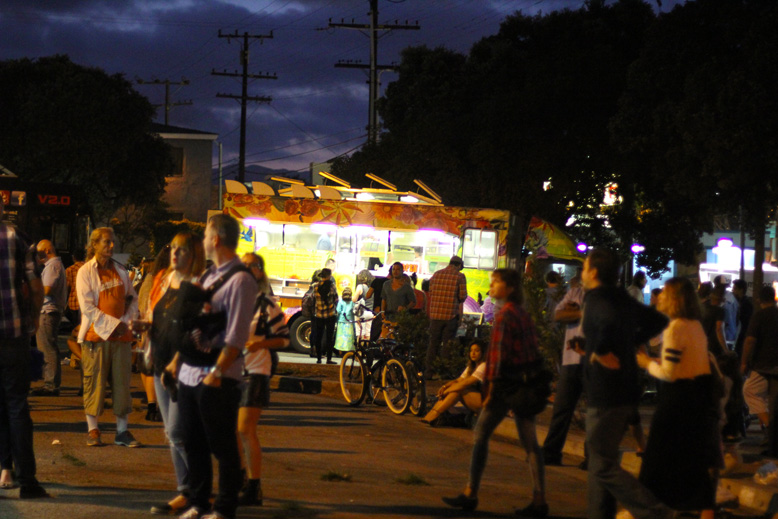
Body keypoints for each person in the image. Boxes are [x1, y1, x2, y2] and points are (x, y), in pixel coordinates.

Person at [168, 214, 257, 519]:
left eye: (206, 235)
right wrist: (176, 363)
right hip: (191, 372)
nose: (203, 241)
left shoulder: (242, 280)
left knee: (222, 446)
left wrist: (217, 373)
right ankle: (199, 502)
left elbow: (236, 334)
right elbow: (192, 326)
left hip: (218, 377)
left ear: (216, 238)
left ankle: (224, 508)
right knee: (193, 442)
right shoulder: (207, 277)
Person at [442, 269, 547, 516]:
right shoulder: (523, 314)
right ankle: (539, 498)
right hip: (524, 385)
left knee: (481, 434)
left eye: (495, 283)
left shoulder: (505, 316)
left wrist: (490, 392)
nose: (491, 288)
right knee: (530, 443)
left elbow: (497, 359)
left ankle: (471, 493)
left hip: (505, 386)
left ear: (509, 287)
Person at [578, 249, 670, 519]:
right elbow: (658, 319)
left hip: (605, 391)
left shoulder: (596, 298)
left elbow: (606, 323)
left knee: (601, 462)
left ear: (593, 272)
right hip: (625, 388)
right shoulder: (620, 296)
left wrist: (602, 349)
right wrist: (628, 342)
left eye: (584, 268)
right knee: (601, 458)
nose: (583, 273)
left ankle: (654, 511)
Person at [636, 277, 720, 518]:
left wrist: (645, 363)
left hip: (677, 400)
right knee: (693, 460)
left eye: (664, 294)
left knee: (656, 460)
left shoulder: (675, 328)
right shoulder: (695, 325)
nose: (659, 296)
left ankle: (647, 511)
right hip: (698, 396)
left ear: (673, 299)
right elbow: (683, 364)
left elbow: (670, 373)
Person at [134, 233, 206, 515]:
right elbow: (158, 317)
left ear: (194, 254)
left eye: (182, 249)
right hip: (160, 359)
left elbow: (195, 328)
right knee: (171, 432)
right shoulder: (164, 279)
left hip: (184, 364)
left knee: (180, 430)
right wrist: (144, 326)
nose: (174, 253)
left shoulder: (197, 285)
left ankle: (200, 492)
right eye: (172, 247)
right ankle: (186, 491)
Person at [0, 196, 48, 498]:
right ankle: (27, 479)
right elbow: (34, 285)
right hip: (13, 335)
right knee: (17, 405)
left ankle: (4, 467)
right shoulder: (16, 236)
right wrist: (32, 319)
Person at [76, 227, 141, 448]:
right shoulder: (86, 271)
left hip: (121, 339)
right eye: (106, 242)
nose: (111, 246)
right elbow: (87, 307)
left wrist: (125, 323)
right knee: (94, 383)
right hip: (96, 337)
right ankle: (93, 430)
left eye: (112, 242)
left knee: (122, 385)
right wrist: (115, 325)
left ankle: (122, 432)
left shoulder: (121, 271)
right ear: (94, 245)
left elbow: (133, 298)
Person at [237, 253, 289, 507]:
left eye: (252, 266)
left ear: (260, 272)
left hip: (256, 371)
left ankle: (254, 486)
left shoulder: (266, 304)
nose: (246, 270)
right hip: (231, 373)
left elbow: (284, 339)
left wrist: (261, 343)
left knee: (246, 429)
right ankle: (239, 480)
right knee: (233, 431)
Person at [542, 275, 585, 466]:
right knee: (561, 408)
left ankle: (591, 457)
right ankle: (551, 452)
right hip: (571, 359)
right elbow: (559, 315)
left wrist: (576, 311)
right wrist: (585, 313)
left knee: (594, 411)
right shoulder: (575, 292)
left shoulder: (607, 296)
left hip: (594, 359)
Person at [741, 285, 778, 458]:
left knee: (750, 390)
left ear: (759, 299)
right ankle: (770, 432)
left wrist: (744, 362)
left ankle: (770, 429)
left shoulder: (759, 316)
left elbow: (750, 341)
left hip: (763, 365)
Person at [30, 239, 67, 396]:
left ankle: (50, 385)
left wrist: (33, 292)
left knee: (47, 349)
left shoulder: (52, 266)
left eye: (39, 252)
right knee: (48, 347)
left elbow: (48, 289)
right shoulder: (55, 265)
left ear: (47, 250)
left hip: (47, 311)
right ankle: (51, 382)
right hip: (51, 311)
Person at [421, 341, 486, 425]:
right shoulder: (472, 366)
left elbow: (466, 383)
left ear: (483, 353)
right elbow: (458, 380)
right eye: (471, 350)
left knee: (460, 389)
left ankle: (435, 414)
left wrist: (447, 391)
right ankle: (433, 414)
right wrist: (445, 386)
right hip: (478, 400)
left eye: (477, 351)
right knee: (456, 389)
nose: (473, 353)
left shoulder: (484, 366)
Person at [426, 256, 467, 379]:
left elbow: (431, 292)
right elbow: (462, 296)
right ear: (459, 266)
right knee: (447, 345)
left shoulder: (436, 274)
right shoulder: (460, 276)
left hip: (435, 315)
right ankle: (443, 373)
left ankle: (428, 372)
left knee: (433, 344)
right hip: (450, 316)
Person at [312, 268, 338, 364]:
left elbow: (313, 299)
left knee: (319, 337)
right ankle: (329, 359)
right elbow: (336, 299)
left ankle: (319, 358)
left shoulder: (315, 286)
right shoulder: (332, 286)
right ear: (329, 276)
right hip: (330, 315)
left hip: (319, 315)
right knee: (329, 337)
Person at [381, 262, 416, 332]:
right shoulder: (386, 285)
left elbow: (413, 301)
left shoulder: (407, 287)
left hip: (401, 319)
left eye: (398, 270)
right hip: (388, 317)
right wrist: (382, 311)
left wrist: (405, 308)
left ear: (402, 271)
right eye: (393, 269)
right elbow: (384, 299)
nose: (395, 271)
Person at [700, 282, 727, 358]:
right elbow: (719, 329)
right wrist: (725, 349)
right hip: (714, 346)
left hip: (701, 344)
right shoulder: (720, 311)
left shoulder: (702, 307)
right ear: (722, 298)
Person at [714, 275, 739, 349]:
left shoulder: (726, 301)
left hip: (726, 337)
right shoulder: (731, 297)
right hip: (731, 336)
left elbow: (724, 322)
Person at [732, 279, 754, 359]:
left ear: (741, 290)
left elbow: (744, 322)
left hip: (742, 337)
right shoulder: (741, 302)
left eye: (735, 288)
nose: (732, 291)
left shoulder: (745, 304)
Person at [65, 247, 86, 327]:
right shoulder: (88, 268)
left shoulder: (69, 270)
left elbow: (67, 288)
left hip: (73, 303)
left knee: (76, 326)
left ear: (73, 257)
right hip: (86, 302)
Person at [334, 287, 355, 354]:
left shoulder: (341, 301)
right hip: (349, 321)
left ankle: (340, 350)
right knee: (349, 336)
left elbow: (338, 311)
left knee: (341, 337)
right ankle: (348, 350)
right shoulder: (352, 302)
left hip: (341, 321)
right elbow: (353, 311)